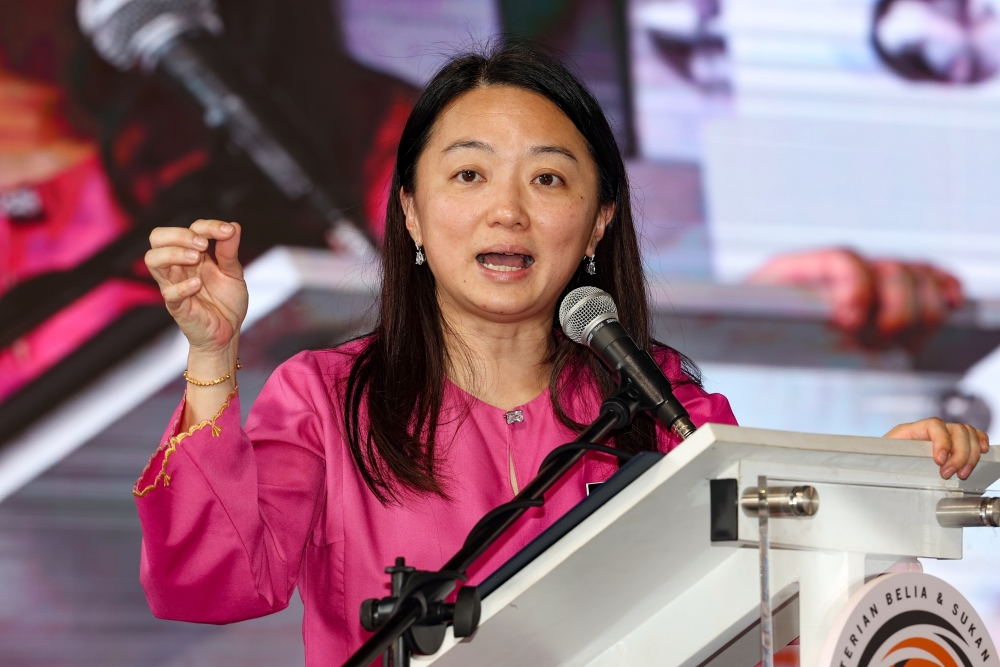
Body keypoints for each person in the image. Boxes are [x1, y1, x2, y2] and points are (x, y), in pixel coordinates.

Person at [137, 44, 987, 665]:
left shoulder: (660, 398)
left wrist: (883, 486)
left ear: (598, 223)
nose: (507, 211)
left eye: (548, 179)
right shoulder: (328, 399)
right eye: (468, 176)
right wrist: (213, 357)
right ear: (410, 212)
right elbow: (209, 585)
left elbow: (777, 577)